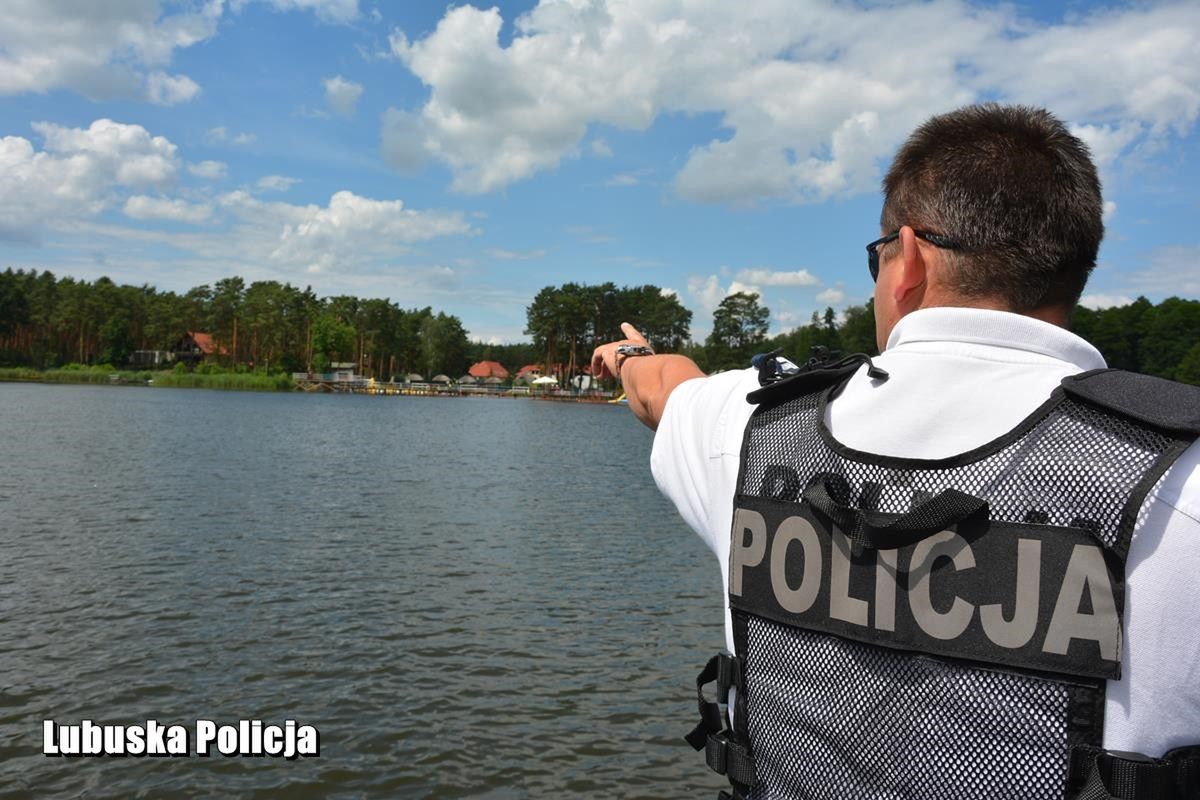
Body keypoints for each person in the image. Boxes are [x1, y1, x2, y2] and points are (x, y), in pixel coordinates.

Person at [592, 104, 1200, 800]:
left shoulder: (751, 433)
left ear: (907, 260)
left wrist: (630, 354)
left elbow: (661, 387)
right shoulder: (1179, 478)